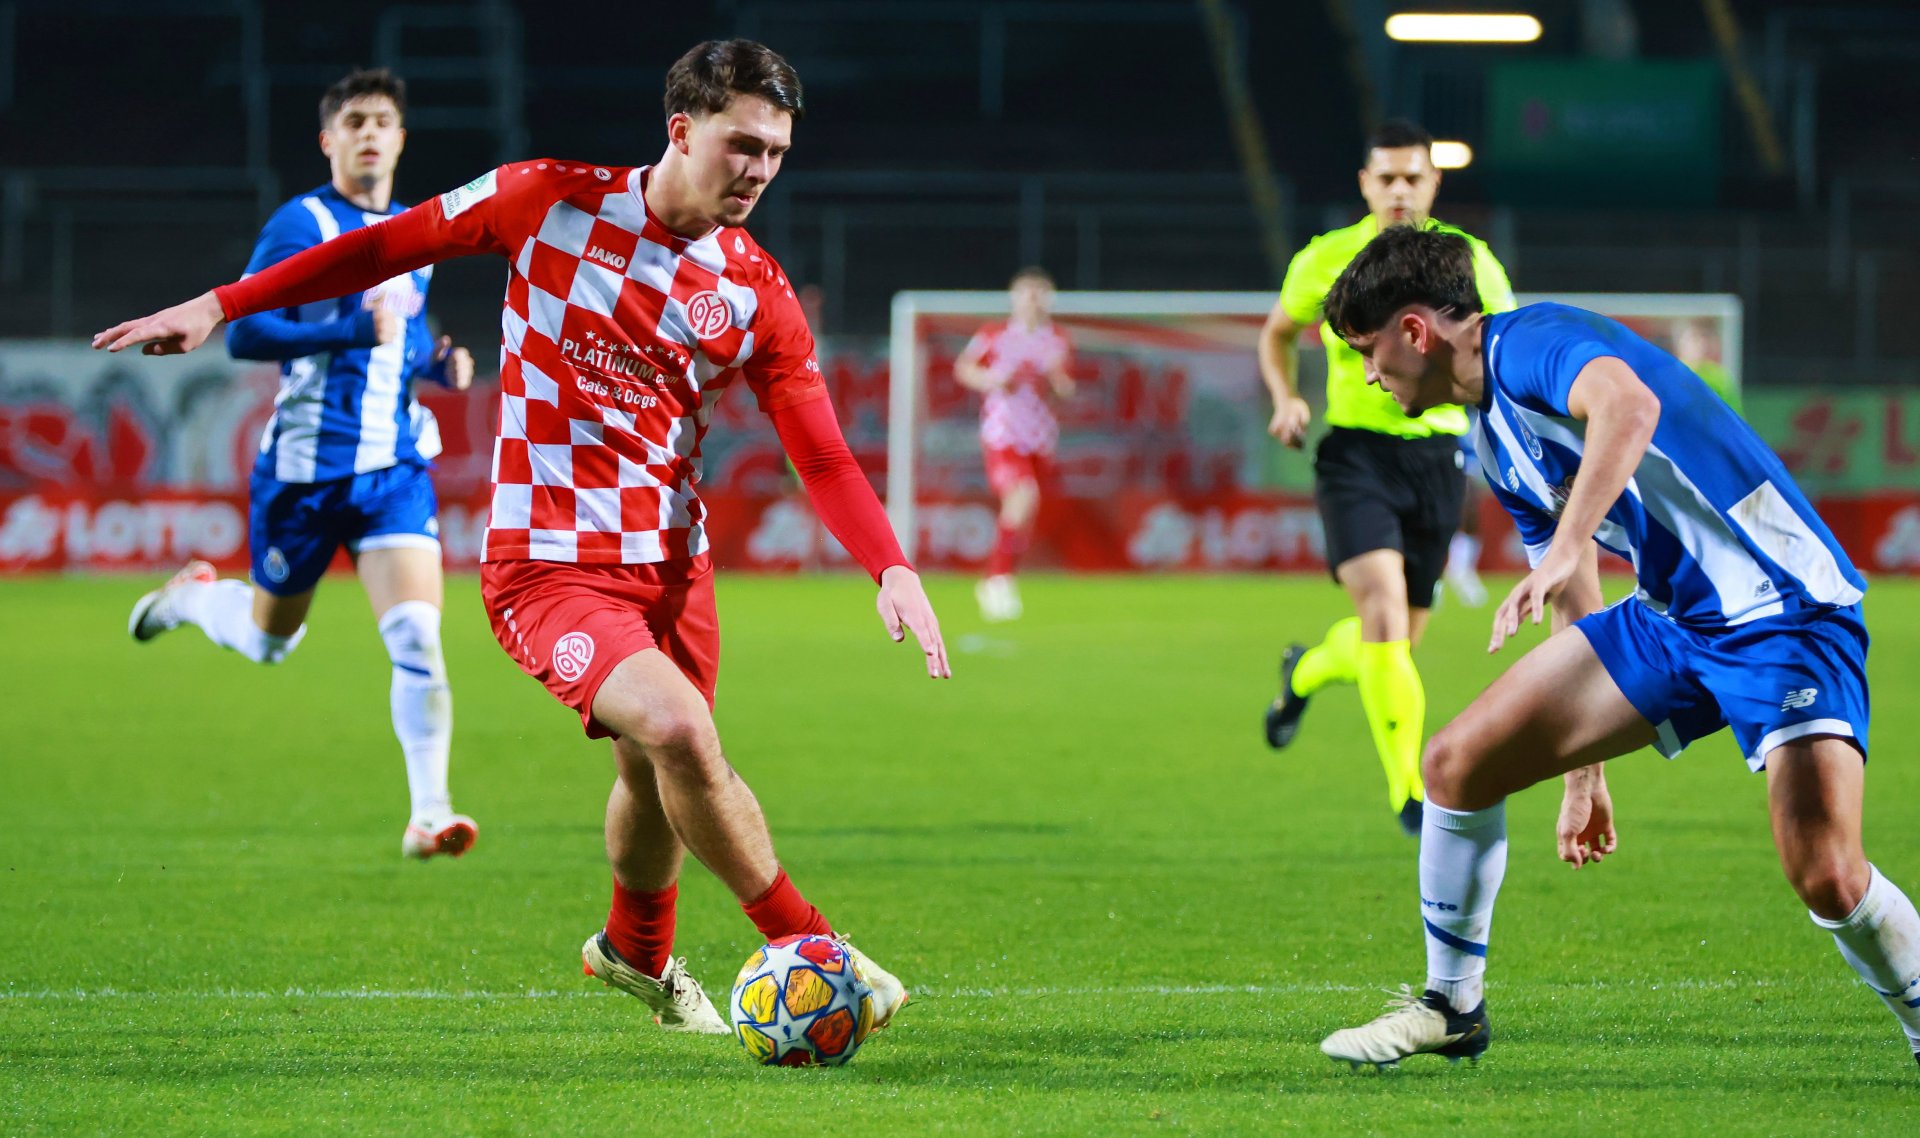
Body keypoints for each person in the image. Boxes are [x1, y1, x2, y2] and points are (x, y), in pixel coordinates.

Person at [96, 39, 948, 1037]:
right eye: (742, 144)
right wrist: (219, 303)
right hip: (547, 565)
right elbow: (384, 246)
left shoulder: (755, 293)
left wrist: (890, 564)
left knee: (652, 766)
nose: (759, 170)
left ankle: (635, 950)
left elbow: (828, 458)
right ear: (682, 130)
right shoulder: (547, 200)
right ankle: (813, 943)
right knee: (677, 731)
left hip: (674, 569)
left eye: (776, 152)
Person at [1314, 225, 1919, 1071]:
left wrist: (1569, 539)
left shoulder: (1529, 342)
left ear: (1415, 332)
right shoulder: (1493, 438)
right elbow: (1574, 592)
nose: (1368, 375)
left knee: (1827, 874)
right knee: (1455, 764)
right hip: (1671, 621)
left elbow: (1630, 407)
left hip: (1783, 610)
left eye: (1367, 352)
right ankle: (1452, 1006)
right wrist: (1581, 777)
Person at [126, 68, 479, 861]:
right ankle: (192, 601)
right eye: (353, 120)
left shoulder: (418, 235)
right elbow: (248, 334)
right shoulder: (301, 223)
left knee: (418, 635)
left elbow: (405, 339)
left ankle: (430, 813)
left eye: (382, 120)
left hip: (392, 468)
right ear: (329, 140)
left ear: (400, 138)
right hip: (303, 471)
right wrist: (352, 335)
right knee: (268, 643)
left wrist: (441, 360)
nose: (368, 133)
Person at [1257, 119, 1516, 835]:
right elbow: (1275, 332)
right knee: (1382, 614)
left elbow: (1504, 351)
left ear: (1433, 183)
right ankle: (1411, 792)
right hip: (1356, 454)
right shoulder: (1327, 260)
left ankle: (1305, 671)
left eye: (1413, 177)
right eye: (1386, 177)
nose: (1400, 189)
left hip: (1438, 459)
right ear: (1365, 184)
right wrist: (1286, 398)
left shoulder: (1470, 263)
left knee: (1394, 644)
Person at [953, 267, 1075, 622]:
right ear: (1014, 297)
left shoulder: (1058, 340)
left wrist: (1055, 379)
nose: (1033, 299)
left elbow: (1067, 389)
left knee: (1026, 512)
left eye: (1040, 292)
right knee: (1023, 497)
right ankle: (997, 580)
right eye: (1027, 292)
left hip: (1040, 437)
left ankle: (1001, 578)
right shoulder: (994, 335)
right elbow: (964, 369)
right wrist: (992, 378)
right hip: (1003, 435)